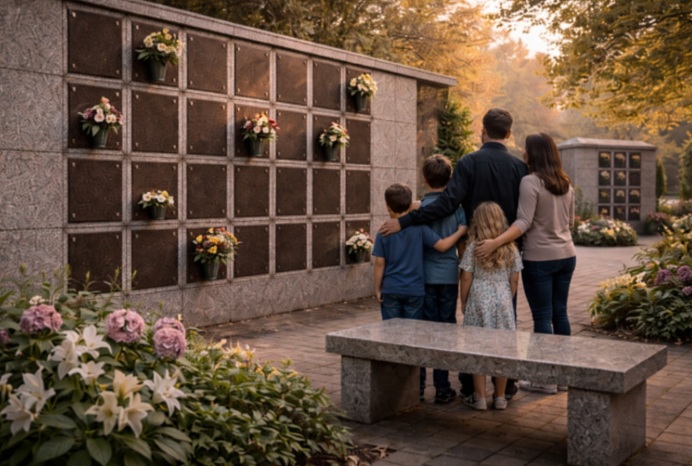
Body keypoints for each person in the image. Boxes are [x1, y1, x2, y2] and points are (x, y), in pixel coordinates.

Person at [379, 108, 527, 400]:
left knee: (474, 323)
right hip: (506, 253)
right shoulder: (519, 168)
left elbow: (447, 203)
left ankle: (473, 387)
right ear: (509, 134)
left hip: (473, 251)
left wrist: (405, 220)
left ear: (482, 130)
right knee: (505, 321)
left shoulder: (469, 163)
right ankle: (505, 386)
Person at [475, 133, 576, 395]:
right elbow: (571, 222)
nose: (523, 154)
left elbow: (523, 222)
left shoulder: (531, 182)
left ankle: (544, 379)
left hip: (539, 259)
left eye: (526, 150)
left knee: (542, 316)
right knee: (560, 314)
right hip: (567, 255)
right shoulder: (566, 184)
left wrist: (495, 242)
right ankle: (563, 376)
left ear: (533, 154)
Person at [372, 183, 466, 400]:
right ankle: (424, 386)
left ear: (387, 206)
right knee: (415, 338)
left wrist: (377, 289)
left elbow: (379, 264)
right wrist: (461, 230)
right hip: (416, 291)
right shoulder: (420, 227)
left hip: (391, 290)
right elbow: (442, 246)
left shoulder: (385, 230)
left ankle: (398, 387)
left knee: (391, 338)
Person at [459, 202, 522, 410]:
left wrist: (464, 301)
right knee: (502, 348)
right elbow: (514, 279)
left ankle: (480, 397)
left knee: (478, 347)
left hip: (478, 297)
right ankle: (501, 397)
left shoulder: (473, 248)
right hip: (503, 298)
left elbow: (466, 278)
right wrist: (507, 297)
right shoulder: (511, 248)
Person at [419, 155, 467, 404]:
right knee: (446, 328)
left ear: (425, 179)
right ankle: (442, 386)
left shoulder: (419, 208)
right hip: (448, 276)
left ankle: (418, 386)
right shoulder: (458, 210)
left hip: (425, 275)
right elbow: (461, 247)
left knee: (424, 328)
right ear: (449, 179)